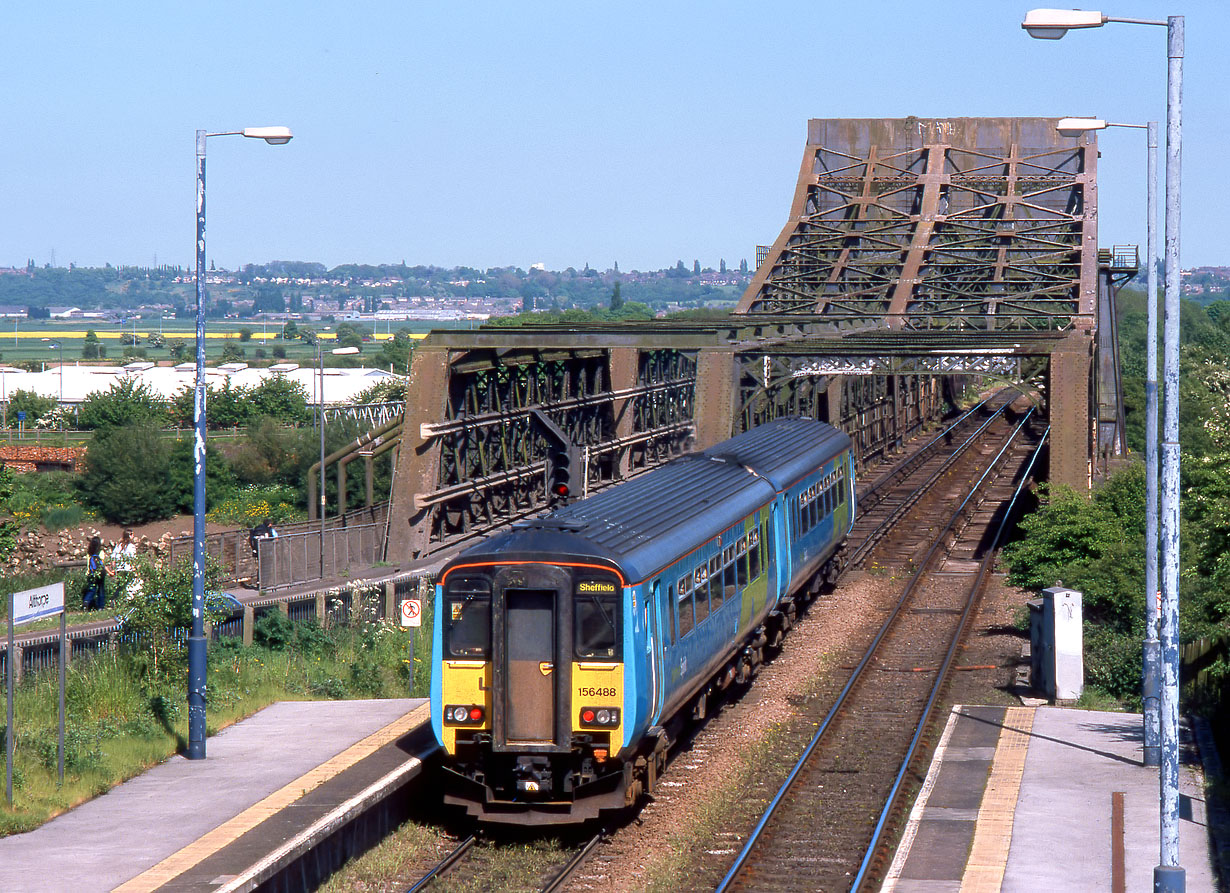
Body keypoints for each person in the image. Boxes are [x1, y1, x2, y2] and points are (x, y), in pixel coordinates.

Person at [82, 536, 107, 610]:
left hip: (90, 574)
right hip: (100, 574)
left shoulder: (89, 553)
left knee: (91, 589)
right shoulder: (101, 552)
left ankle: (86, 602)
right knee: (101, 590)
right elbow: (102, 564)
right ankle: (100, 606)